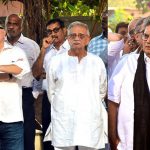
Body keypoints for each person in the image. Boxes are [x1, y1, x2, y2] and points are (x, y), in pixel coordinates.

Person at [47, 21, 108, 150]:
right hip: (63, 120)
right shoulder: (56, 62)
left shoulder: (96, 62)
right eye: (73, 35)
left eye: (81, 36)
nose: (76, 39)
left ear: (88, 39)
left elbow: (102, 91)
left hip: (89, 120)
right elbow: (51, 92)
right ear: (68, 39)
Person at [108, 17, 150, 150]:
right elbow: (113, 101)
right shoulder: (127, 62)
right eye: (146, 36)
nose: (148, 41)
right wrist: (113, 139)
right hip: (129, 142)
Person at [32, 18, 70, 150]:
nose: (53, 34)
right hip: (49, 100)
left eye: (56, 30)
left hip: (68, 99)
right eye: (49, 31)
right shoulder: (46, 51)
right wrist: (43, 49)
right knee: (48, 138)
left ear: (64, 31)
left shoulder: (73, 48)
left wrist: (48, 75)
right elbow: (36, 74)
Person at [5, 14, 40, 150]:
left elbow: (38, 71)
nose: (11, 27)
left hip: (25, 95)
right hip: (5, 96)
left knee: (27, 135)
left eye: (15, 24)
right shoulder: (1, 45)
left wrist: (34, 94)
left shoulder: (31, 46)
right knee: (7, 133)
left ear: (21, 26)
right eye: (9, 23)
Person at [0, 23, 30, 150]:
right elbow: (13, 72)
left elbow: (21, 69)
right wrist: (8, 75)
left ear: (4, 33)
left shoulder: (16, 51)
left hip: (11, 117)